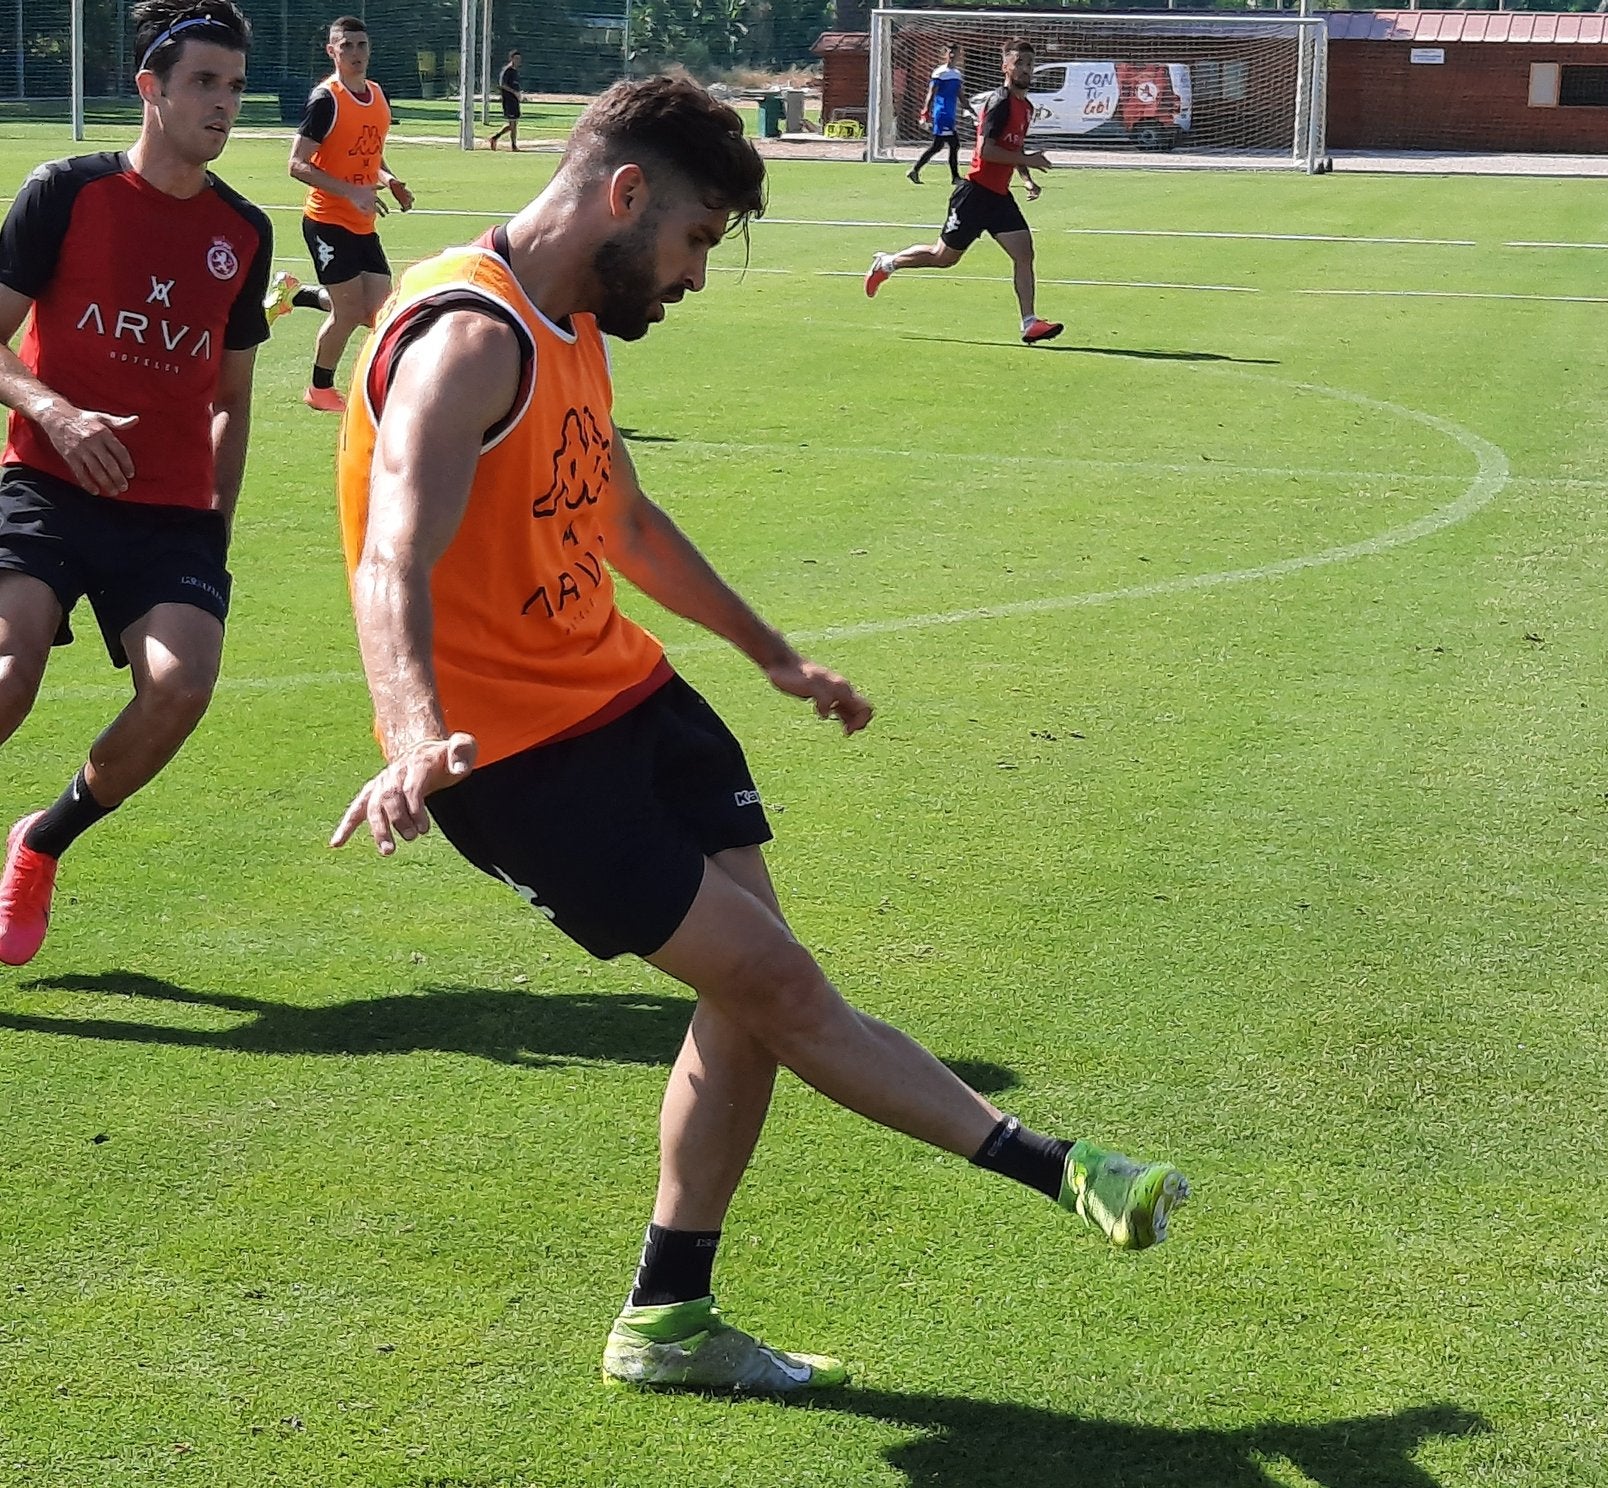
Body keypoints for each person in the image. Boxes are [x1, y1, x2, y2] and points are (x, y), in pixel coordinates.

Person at [330, 72, 1187, 1394]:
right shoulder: (466, 338)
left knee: (750, 996)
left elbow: (622, 519)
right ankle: (1059, 1167)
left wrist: (771, 654)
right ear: (625, 197)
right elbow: (392, 558)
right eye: (693, 244)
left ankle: (668, 1318)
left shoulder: (566, 321)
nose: (691, 279)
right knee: (780, 992)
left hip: (629, 698)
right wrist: (412, 730)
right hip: (521, 766)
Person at [0, 0, 271, 967]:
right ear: (149, 88)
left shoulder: (243, 231)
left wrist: (216, 522)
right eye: (204, 82)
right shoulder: (65, 191)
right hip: (45, 481)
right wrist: (58, 415)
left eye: (235, 86)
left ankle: (40, 843)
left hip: (169, 514)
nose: (223, 105)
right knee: (7, 673)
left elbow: (233, 396)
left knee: (181, 688)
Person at [864, 37, 1063, 346]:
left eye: (1029, 64)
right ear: (1005, 67)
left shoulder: (1026, 107)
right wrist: (1027, 161)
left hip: (998, 197)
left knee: (1024, 253)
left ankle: (1030, 323)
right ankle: (888, 263)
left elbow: (1014, 146)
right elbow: (988, 150)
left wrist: (1025, 178)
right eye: (1019, 63)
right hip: (974, 194)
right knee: (942, 257)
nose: (1026, 69)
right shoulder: (998, 102)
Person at [268, 14, 412, 413]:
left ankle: (297, 294)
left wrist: (389, 179)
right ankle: (319, 390)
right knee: (349, 311)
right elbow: (297, 164)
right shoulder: (326, 99)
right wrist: (351, 193)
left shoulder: (377, 96)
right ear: (331, 51)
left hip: (361, 220)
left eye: (361, 45)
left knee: (376, 313)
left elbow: (367, 152)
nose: (355, 53)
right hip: (327, 220)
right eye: (345, 46)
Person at [907, 43, 964, 185]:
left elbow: (960, 95)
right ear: (945, 54)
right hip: (942, 114)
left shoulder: (957, 74)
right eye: (950, 52)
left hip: (950, 115)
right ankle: (955, 177)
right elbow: (931, 93)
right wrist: (925, 111)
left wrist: (972, 110)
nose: (952, 55)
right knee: (954, 144)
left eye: (955, 53)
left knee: (938, 146)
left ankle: (915, 170)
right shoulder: (940, 73)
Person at [489, 49, 523, 151]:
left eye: (519, 59)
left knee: (513, 124)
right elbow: (502, 85)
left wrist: (519, 94)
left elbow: (515, 85)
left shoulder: (515, 71)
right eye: (516, 58)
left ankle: (495, 138)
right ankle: (513, 145)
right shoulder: (507, 71)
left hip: (515, 100)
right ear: (511, 58)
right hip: (508, 100)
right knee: (513, 123)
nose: (518, 61)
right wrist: (514, 92)